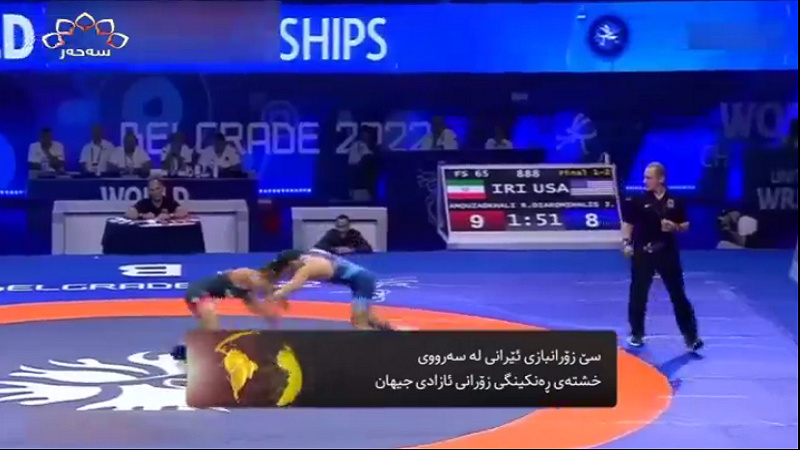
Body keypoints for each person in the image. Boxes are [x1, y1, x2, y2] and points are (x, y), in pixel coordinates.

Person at [621, 162, 703, 352]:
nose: (645, 181)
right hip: (643, 252)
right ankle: (637, 333)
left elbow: (686, 224)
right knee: (638, 294)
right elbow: (628, 223)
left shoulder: (676, 200)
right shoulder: (638, 200)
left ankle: (691, 337)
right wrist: (626, 243)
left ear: (661, 179)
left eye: (649, 178)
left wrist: (675, 227)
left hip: (667, 252)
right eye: (644, 177)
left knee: (678, 294)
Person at [171, 266, 282, 361]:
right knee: (211, 323)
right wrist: (269, 289)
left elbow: (256, 308)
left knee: (208, 328)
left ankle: (185, 349)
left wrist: (272, 318)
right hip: (197, 292)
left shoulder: (246, 293)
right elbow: (254, 279)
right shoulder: (244, 274)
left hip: (202, 298)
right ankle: (200, 352)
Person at [267, 249, 392, 330]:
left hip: (363, 282)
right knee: (369, 319)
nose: (287, 273)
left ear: (292, 263)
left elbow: (295, 284)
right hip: (361, 281)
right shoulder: (311, 255)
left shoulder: (307, 267)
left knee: (359, 323)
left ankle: (378, 350)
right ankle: (391, 333)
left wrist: (276, 295)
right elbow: (292, 282)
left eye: (287, 269)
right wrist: (279, 288)